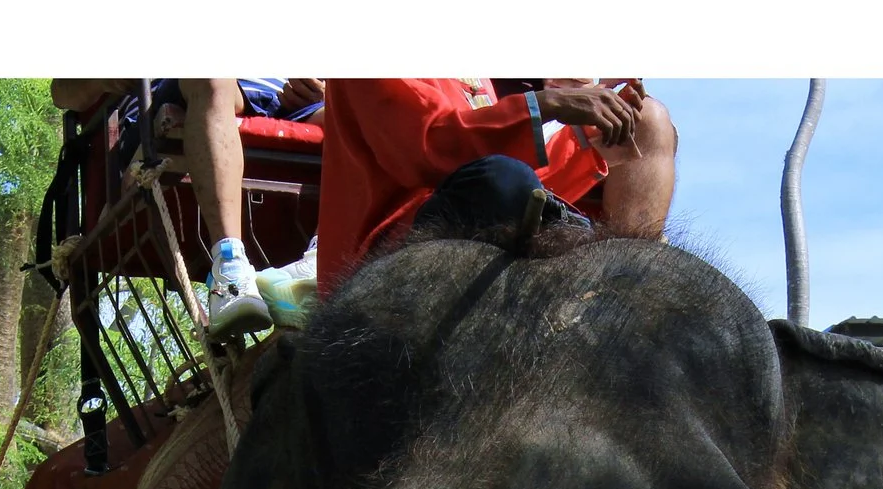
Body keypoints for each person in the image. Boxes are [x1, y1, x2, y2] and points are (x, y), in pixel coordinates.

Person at [314, 78, 677, 293]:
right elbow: (429, 150)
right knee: (503, 181)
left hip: (480, 212)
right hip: (390, 246)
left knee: (649, 121)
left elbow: (497, 168)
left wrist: (588, 137)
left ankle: (626, 291)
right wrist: (546, 105)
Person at [148, 79, 327, 338]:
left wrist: (326, 92)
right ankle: (230, 270)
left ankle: (320, 257)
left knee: (362, 104)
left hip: (292, 99)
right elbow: (69, 94)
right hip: (216, 87)